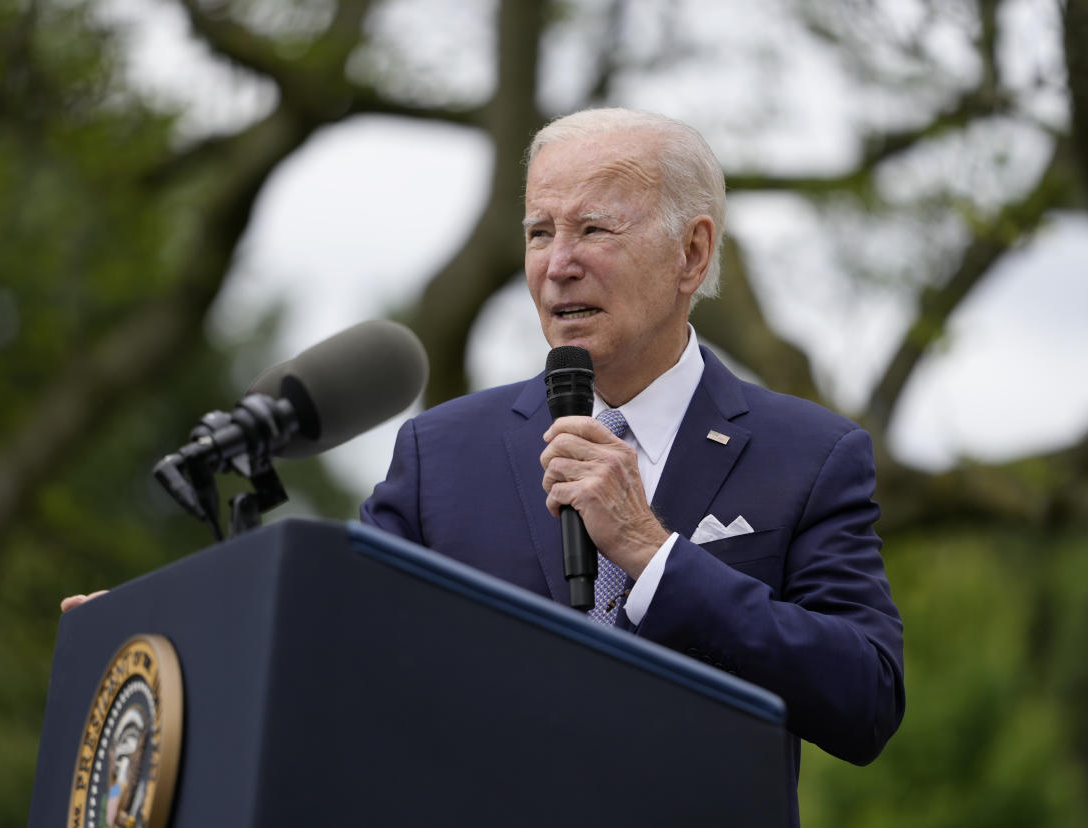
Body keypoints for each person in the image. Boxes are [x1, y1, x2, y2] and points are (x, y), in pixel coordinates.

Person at [360, 107, 904, 824]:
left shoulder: (809, 455)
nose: (559, 265)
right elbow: (348, 674)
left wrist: (654, 558)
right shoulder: (439, 456)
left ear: (693, 254)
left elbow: (864, 698)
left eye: (593, 229)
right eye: (538, 233)